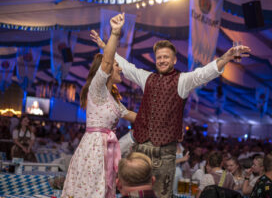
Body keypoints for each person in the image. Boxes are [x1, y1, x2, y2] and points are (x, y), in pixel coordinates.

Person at [91, 32, 251, 197]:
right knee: (134, 194)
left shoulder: (182, 81)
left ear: (174, 60)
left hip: (164, 153)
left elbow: (203, 74)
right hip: (140, 150)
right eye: (159, 57)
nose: (162, 60)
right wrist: (105, 47)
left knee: (161, 195)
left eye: (166, 57)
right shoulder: (147, 78)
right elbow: (127, 67)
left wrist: (226, 57)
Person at [61, 13, 136, 198]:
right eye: (117, 65)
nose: (120, 68)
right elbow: (108, 60)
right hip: (94, 149)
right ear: (107, 70)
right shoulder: (97, 89)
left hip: (107, 150)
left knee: (103, 189)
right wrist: (115, 33)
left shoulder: (113, 100)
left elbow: (136, 117)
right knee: (91, 190)